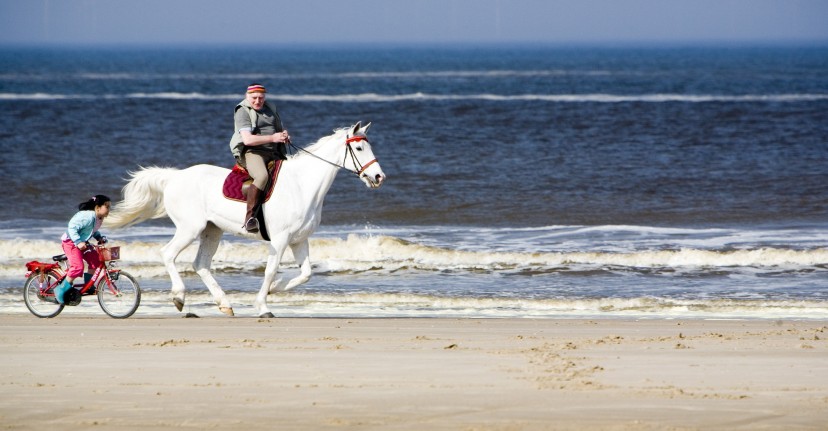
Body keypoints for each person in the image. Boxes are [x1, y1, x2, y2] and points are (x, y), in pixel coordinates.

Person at [228, 83, 291, 233]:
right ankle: (250, 218)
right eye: (254, 98)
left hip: (274, 151)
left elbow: (278, 130)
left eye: (261, 98)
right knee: (262, 176)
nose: (257, 101)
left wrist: (283, 135)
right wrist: (273, 138)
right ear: (247, 96)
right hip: (253, 152)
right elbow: (248, 140)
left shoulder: (270, 108)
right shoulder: (242, 111)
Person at [54, 195, 111, 304]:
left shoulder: (99, 218)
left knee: (95, 259)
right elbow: (72, 227)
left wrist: (99, 237)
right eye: (107, 206)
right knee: (78, 267)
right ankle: (60, 290)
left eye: (109, 207)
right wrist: (78, 242)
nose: (109, 209)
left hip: (82, 242)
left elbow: (91, 230)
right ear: (98, 207)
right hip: (70, 242)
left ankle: (88, 285)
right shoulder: (88, 216)